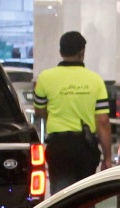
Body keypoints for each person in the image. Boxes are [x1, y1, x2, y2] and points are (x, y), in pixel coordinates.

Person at [33, 31, 111, 193]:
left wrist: (57, 114)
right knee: (86, 197)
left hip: (58, 146)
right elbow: (102, 121)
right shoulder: (95, 80)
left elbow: (39, 111)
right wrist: (108, 158)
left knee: (61, 199)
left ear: (61, 52)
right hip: (85, 146)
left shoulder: (45, 78)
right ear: (82, 52)